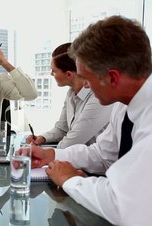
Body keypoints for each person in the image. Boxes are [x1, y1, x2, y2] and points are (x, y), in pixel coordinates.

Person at [30, 15, 152, 225]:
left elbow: (122, 205)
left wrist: (70, 180)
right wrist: (51, 153)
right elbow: (102, 153)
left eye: (87, 78)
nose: (84, 86)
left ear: (112, 78)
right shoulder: (123, 105)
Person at [26, 43, 113, 148]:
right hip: (78, 158)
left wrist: (42, 153)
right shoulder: (71, 93)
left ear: (68, 74)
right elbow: (62, 129)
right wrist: (42, 138)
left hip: (96, 162)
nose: (51, 74)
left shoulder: (98, 98)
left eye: (53, 70)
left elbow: (74, 140)